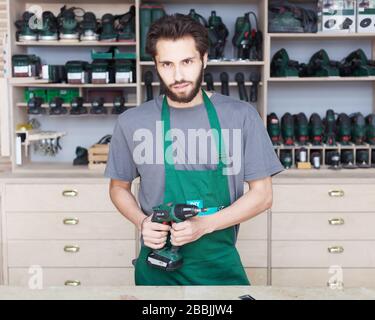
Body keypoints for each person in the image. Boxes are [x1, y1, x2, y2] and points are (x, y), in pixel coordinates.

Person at [105, 13, 284, 286]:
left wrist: (204, 225)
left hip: (219, 268)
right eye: (167, 64)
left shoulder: (241, 116)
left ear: (204, 59)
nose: (178, 75)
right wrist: (142, 222)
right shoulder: (132, 122)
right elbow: (119, 188)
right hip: (157, 271)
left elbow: (263, 196)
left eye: (187, 61)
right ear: (155, 64)